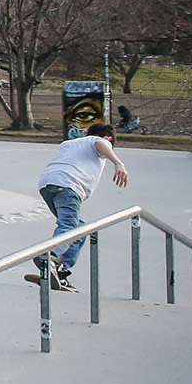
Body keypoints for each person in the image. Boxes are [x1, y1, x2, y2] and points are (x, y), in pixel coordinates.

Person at [29, 123, 130, 292]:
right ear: (109, 138)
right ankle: (51, 257)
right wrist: (118, 163)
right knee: (69, 226)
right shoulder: (99, 140)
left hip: (47, 185)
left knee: (80, 229)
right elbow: (100, 143)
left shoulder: (69, 143)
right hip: (69, 186)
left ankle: (61, 274)